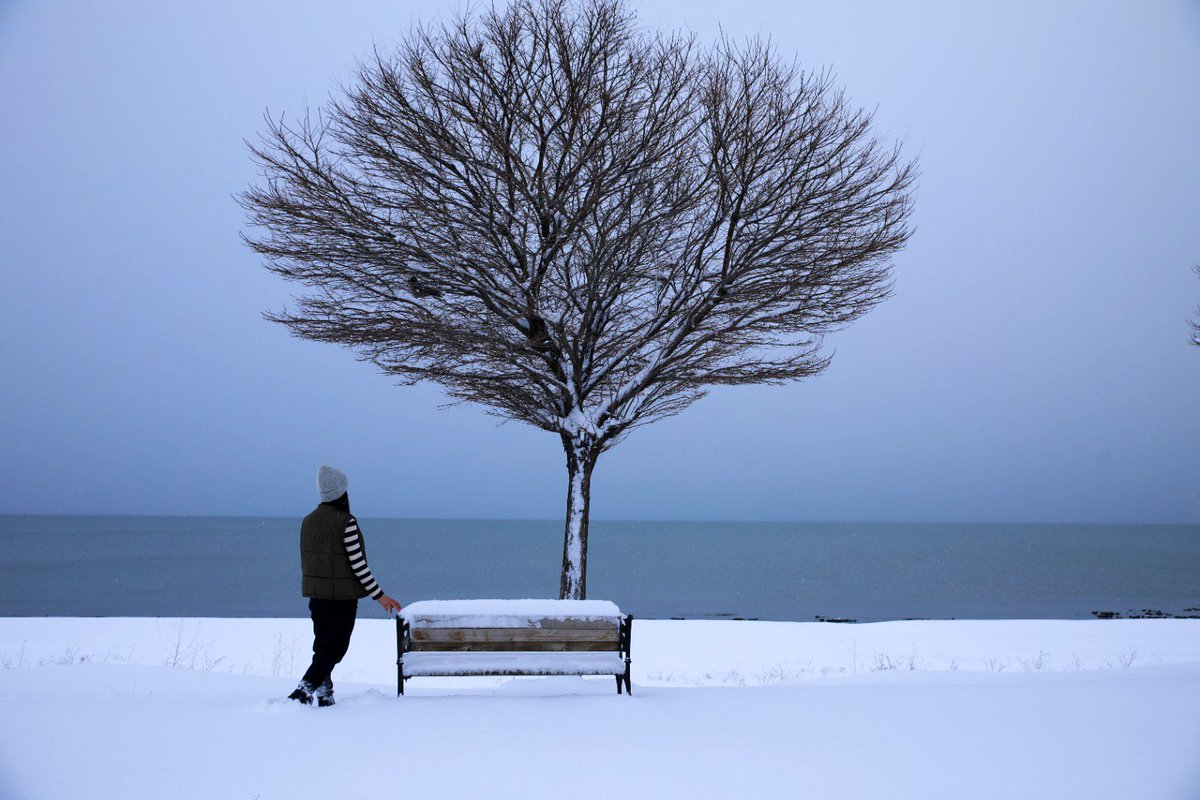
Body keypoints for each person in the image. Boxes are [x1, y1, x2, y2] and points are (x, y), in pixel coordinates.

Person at [288, 465, 402, 706]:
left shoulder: (308, 522)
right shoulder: (345, 522)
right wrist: (379, 596)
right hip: (341, 600)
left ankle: (324, 693)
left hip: (316, 596)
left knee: (322, 646)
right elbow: (358, 565)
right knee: (335, 648)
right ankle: (303, 690)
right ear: (342, 493)